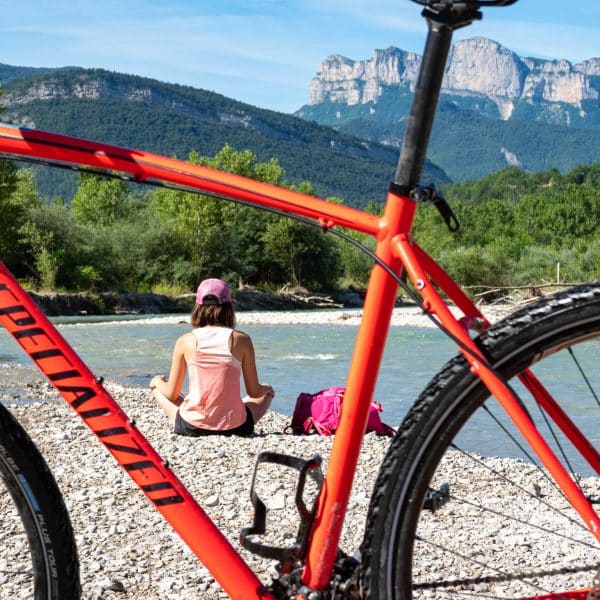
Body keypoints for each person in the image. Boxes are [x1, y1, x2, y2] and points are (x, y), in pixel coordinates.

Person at [150, 278, 274, 437]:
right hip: (236, 428)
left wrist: (157, 382)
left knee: (160, 390)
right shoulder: (241, 339)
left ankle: (193, 412)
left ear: (198, 307)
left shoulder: (185, 341)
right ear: (229, 307)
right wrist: (267, 389)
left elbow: (172, 394)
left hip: (191, 427)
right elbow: (254, 392)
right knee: (265, 395)